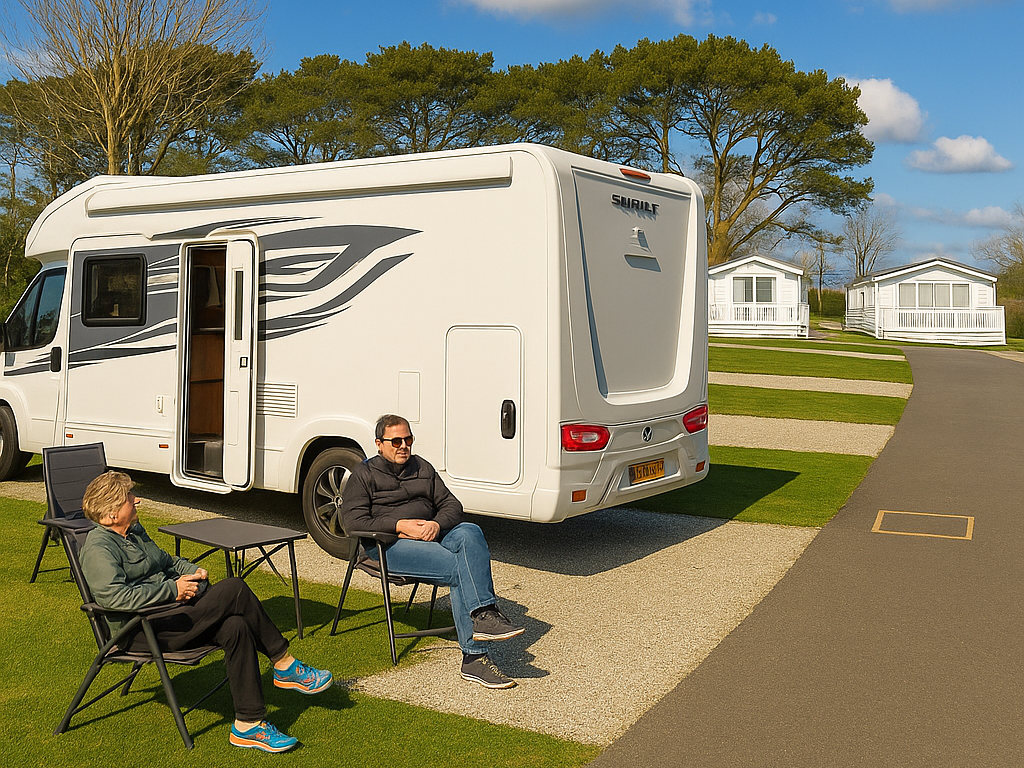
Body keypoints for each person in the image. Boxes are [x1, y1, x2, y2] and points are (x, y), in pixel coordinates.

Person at [79, 471, 333, 753]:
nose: (136, 500)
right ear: (111, 515)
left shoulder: (134, 532)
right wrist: (172, 590)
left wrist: (191, 572)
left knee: (236, 625)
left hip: (171, 615)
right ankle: (283, 662)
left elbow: (167, 561)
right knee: (235, 588)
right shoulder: (98, 548)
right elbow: (115, 597)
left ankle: (248, 725)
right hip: (141, 631)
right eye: (129, 498)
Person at [341, 414, 526, 689]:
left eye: (408, 439)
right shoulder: (363, 474)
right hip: (387, 546)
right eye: (396, 441)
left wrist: (435, 524)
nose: (403, 445)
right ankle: (475, 656)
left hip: (431, 536)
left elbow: (453, 505)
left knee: (470, 531)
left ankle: (483, 617)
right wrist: (399, 525)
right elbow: (353, 522)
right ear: (379, 444)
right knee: (461, 569)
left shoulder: (422, 468)